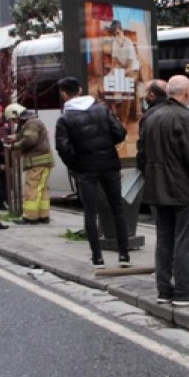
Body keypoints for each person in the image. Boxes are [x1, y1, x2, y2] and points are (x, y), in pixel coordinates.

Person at [138, 75, 189, 306]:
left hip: (157, 190)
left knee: (164, 240)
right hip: (183, 190)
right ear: (187, 93)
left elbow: (142, 156)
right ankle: (184, 291)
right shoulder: (185, 116)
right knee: (186, 241)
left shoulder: (151, 117)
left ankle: (164, 290)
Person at [54, 76, 130, 268]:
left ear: (64, 94)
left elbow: (63, 148)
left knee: (90, 212)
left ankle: (97, 257)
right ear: (80, 90)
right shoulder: (102, 109)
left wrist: (76, 163)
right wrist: (106, 145)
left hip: (86, 169)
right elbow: (120, 133)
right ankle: (124, 255)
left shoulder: (65, 119)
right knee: (117, 210)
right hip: (109, 165)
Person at [5, 103, 54, 225]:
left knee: (31, 189)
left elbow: (30, 139)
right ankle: (43, 215)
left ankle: (30, 217)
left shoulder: (30, 123)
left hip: (36, 162)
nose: (14, 121)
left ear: (16, 114)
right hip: (44, 161)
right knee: (42, 189)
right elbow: (27, 135)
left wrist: (14, 146)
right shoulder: (33, 122)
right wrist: (16, 137)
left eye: (13, 118)